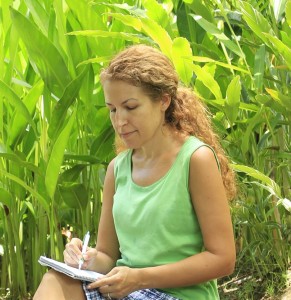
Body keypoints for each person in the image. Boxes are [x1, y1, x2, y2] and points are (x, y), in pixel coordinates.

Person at [33, 44, 237, 300]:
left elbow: (223, 259)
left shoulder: (196, 159)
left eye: (130, 107)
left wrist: (140, 278)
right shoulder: (117, 169)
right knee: (55, 281)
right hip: (127, 291)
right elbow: (108, 257)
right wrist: (84, 258)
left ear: (163, 100)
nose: (119, 121)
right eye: (113, 109)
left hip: (178, 295)